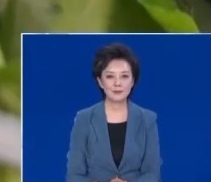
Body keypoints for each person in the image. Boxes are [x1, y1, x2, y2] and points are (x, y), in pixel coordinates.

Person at [66, 43, 161, 182]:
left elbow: (152, 174)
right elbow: (74, 175)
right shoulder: (84, 119)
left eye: (124, 76)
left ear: (133, 81)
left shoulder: (148, 119)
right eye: (110, 76)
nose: (117, 83)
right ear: (100, 81)